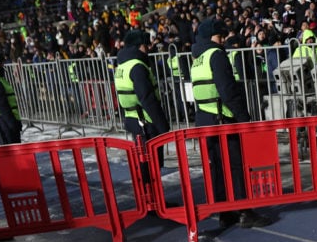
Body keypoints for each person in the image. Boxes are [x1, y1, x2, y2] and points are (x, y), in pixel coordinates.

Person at [190, 17, 272, 229]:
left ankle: (225, 212)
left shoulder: (197, 58)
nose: (223, 40)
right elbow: (228, 91)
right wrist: (244, 118)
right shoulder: (216, 55)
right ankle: (245, 211)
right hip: (223, 119)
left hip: (205, 120)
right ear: (211, 37)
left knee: (218, 167)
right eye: (220, 36)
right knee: (236, 166)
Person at [114, 29, 171, 178]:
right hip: (146, 123)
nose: (148, 48)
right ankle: (153, 200)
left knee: (144, 163)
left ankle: (151, 199)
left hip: (134, 119)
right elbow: (147, 98)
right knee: (151, 163)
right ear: (138, 46)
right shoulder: (137, 66)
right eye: (146, 45)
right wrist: (162, 126)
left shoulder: (122, 66)